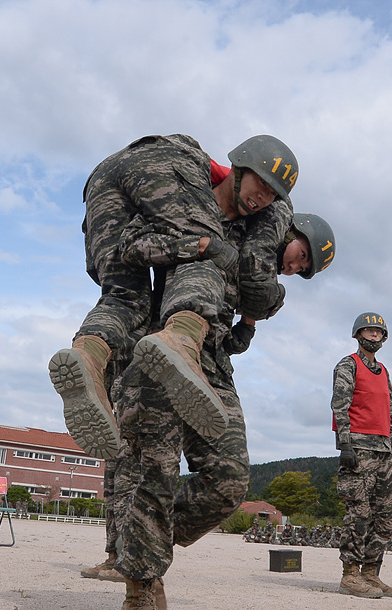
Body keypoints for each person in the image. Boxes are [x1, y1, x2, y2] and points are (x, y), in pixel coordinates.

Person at [79, 210, 336, 584]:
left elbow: (232, 342)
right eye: (302, 255)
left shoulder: (265, 288)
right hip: (156, 348)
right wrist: (203, 247)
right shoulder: (224, 230)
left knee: (229, 479)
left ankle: (142, 545)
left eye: (303, 269)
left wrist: (247, 322)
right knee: (134, 467)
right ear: (293, 230)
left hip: (209, 365)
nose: (295, 267)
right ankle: (122, 560)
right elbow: (138, 248)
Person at [48, 134, 301, 460]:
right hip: (155, 161)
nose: (263, 198)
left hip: (101, 186)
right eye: (261, 184)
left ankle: (89, 356)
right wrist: (209, 249)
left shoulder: (171, 205)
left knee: (125, 296)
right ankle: (181, 339)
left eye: (271, 194)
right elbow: (254, 276)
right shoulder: (210, 196)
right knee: (206, 259)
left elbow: (132, 248)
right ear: (240, 166)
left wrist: (195, 249)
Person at [332, 313, 392, 599]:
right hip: (359, 448)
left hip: (383, 449)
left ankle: (371, 573)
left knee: (385, 514)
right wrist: (344, 444)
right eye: (368, 331)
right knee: (359, 511)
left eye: (378, 332)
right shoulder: (348, 364)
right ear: (358, 334)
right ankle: (350, 574)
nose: (373, 336)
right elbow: (340, 404)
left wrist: (391, 441)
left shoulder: (383, 370)